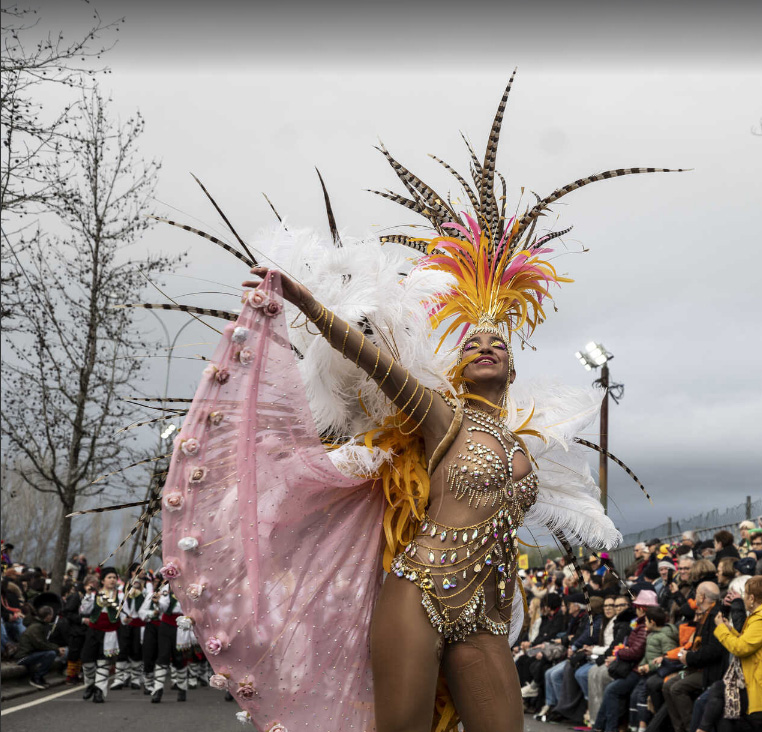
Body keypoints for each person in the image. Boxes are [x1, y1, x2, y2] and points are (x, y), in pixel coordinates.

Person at [131, 75, 682, 732]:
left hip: (481, 613)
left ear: (512, 362)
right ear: (456, 364)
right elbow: (375, 362)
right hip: (415, 597)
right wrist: (308, 303)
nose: (484, 344)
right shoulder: (441, 417)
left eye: (496, 340)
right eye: (471, 339)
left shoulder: (517, 447)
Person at [711, 575, 762, 724]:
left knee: (721, 695)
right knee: (719, 694)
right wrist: (729, 629)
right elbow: (748, 641)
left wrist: (721, 629)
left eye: (744, 595)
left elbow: (740, 648)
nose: (743, 598)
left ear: (751, 598)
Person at [590, 591, 658, 732]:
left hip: (637, 669)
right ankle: (599, 727)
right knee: (610, 688)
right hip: (633, 667)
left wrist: (619, 652)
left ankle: (609, 728)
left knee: (612, 690)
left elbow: (636, 651)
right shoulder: (638, 624)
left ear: (641, 609)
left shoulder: (643, 627)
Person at [665, 582, 727, 732]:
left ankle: (690, 728)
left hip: (710, 672)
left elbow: (714, 651)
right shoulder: (706, 614)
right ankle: (678, 728)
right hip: (697, 666)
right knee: (667, 685)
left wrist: (690, 658)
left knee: (677, 689)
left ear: (702, 596)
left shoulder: (715, 616)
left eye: (696, 593)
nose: (694, 597)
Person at [79, 566, 121, 703]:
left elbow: (127, 613)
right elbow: (84, 610)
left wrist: (126, 619)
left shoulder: (120, 595)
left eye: (114, 577)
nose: (112, 580)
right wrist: (88, 596)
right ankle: (90, 684)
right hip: (94, 630)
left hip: (110, 632)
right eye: (109, 577)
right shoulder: (94, 594)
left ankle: (99, 691)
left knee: (103, 661)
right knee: (86, 660)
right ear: (102, 580)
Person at [15, 605, 66, 689]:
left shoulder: (39, 625)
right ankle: (36, 678)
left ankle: (40, 677)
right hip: (23, 656)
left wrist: (57, 648)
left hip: (30, 653)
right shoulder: (36, 627)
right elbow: (40, 644)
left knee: (52, 652)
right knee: (51, 654)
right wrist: (57, 649)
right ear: (48, 616)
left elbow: (44, 643)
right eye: (51, 614)